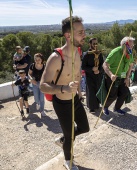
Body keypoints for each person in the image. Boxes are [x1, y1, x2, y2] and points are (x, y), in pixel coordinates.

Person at [40, 16, 89, 170]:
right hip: (61, 102)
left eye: (84, 31)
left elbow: (76, 74)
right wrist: (63, 88)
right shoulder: (56, 58)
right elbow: (43, 85)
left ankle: (63, 140)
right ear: (68, 35)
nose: (84, 35)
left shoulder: (78, 52)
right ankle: (68, 160)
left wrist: (78, 91)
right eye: (80, 32)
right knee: (70, 136)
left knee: (85, 127)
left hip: (75, 98)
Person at [102, 36, 135, 116]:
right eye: (130, 45)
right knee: (112, 95)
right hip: (113, 76)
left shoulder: (130, 53)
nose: (132, 47)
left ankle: (117, 108)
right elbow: (105, 64)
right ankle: (105, 107)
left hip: (123, 75)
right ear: (124, 45)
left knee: (124, 93)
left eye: (132, 45)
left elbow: (130, 65)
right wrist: (111, 75)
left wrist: (127, 78)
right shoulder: (115, 52)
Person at [81, 38, 104, 113]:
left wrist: (99, 70)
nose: (95, 45)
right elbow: (83, 66)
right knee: (91, 91)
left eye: (96, 43)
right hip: (90, 76)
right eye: (94, 43)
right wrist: (92, 69)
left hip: (98, 75)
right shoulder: (86, 54)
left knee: (98, 89)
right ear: (90, 44)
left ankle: (97, 104)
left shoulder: (99, 53)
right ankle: (91, 107)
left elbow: (102, 64)